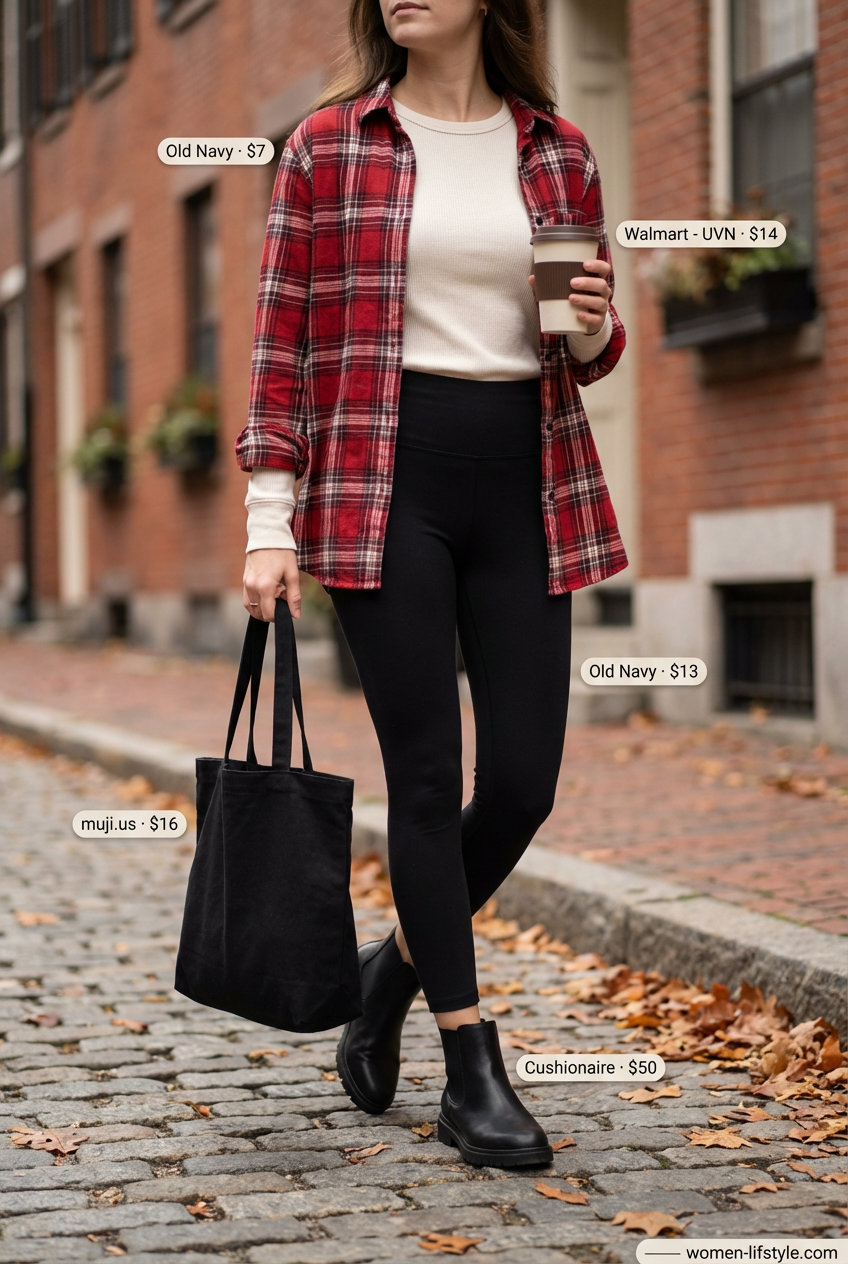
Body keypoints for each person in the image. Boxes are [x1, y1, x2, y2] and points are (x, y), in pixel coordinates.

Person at [236, 0, 627, 1169]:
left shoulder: (556, 149)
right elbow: (281, 338)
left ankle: (392, 972)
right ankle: (470, 1065)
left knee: (522, 781)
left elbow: (581, 348)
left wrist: (597, 329)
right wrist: (270, 519)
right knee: (424, 773)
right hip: (378, 481)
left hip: (525, 475)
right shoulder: (327, 143)